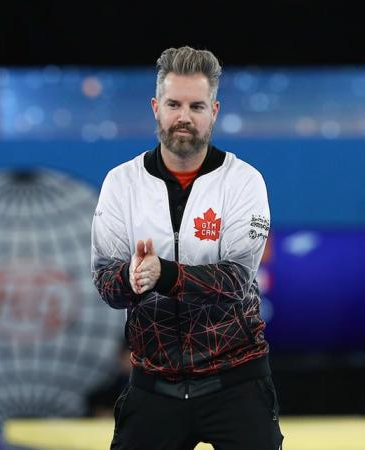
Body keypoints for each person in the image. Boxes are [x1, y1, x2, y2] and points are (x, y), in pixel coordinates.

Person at [91, 46, 283, 450]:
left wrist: (163, 273)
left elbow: (235, 281)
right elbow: (106, 286)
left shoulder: (244, 182)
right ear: (155, 108)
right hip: (152, 384)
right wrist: (128, 278)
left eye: (196, 106)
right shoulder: (121, 184)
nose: (184, 117)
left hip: (237, 381)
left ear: (214, 110)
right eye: (174, 104)